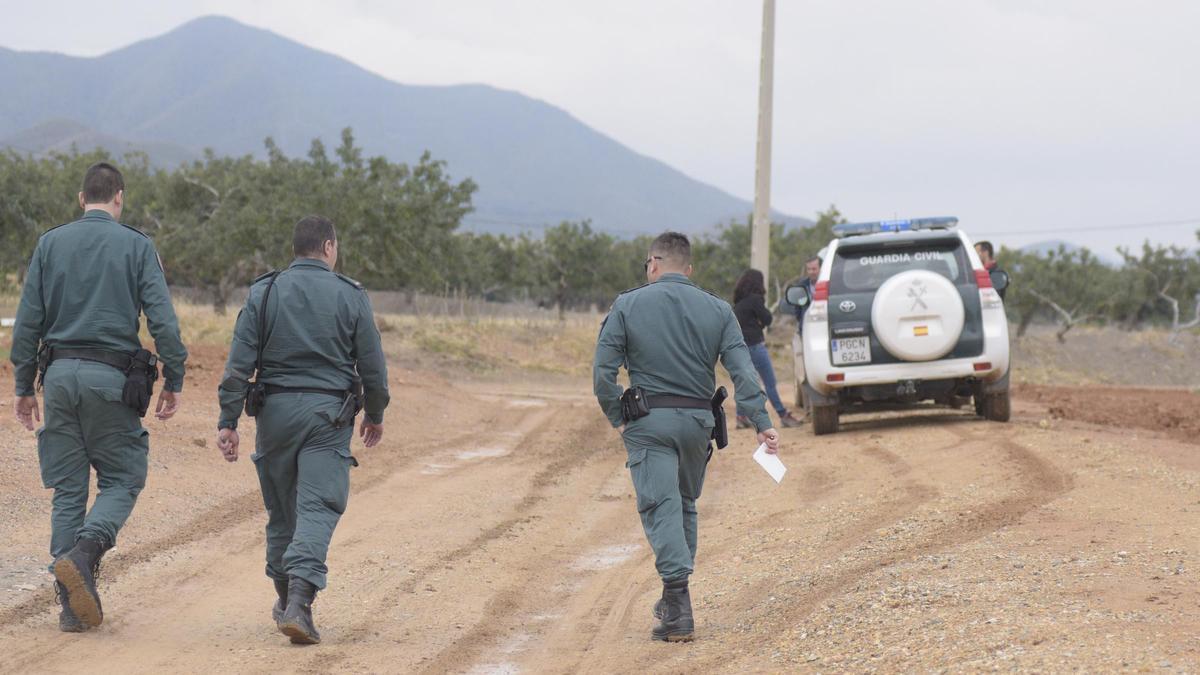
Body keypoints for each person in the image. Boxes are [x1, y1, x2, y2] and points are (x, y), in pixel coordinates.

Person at [9, 162, 188, 632]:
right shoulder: (137, 245)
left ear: (80, 196)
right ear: (119, 198)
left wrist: (24, 387)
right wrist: (175, 375)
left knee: (69, 489)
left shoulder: (50, 243)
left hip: (60, 376)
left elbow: (27, 323)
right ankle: (86, 553)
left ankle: (70, 606)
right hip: (112, 378)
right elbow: (163, 321)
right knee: (125, 477)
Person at [593, 232, 780, 642]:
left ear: (653, 264)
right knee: (684, 506)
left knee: (661, 507)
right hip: (699, 424)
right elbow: (743, 369)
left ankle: (678, 609)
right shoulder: (717, 309)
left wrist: (616, 417)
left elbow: (603, 373)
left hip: (649, 423)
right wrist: (760, 419)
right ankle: (673, 597)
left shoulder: (628, 304)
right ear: (689, 269)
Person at [215, 215, 389, 645]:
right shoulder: (351, 295)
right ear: (329, 247)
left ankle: (284, 597)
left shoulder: (266, 291)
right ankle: (299, 603)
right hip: (327, 418)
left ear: (296, 249)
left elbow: (238, 364)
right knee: (317, 506)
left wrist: (228, 420)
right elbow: (373, 368)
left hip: (272, 414)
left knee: (282, 510)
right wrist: (375, 413)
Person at [732, 269, 803, 429]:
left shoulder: (739, 303)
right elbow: (768, 319)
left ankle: (741, 417)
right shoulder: (755, 300)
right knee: (770, 382)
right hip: (756, 346)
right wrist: (760, 324)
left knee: (745, 383)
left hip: (741, 348)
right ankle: (783, 414)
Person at [791, 256, 822, 409]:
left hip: (824, 333)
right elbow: (797, 310)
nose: (811, 272)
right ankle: (810, 408)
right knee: (805, 371)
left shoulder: (827, 283)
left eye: (814, 269)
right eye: (809, 269)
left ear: (820, 268)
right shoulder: (801, 287)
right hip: (806, 333)